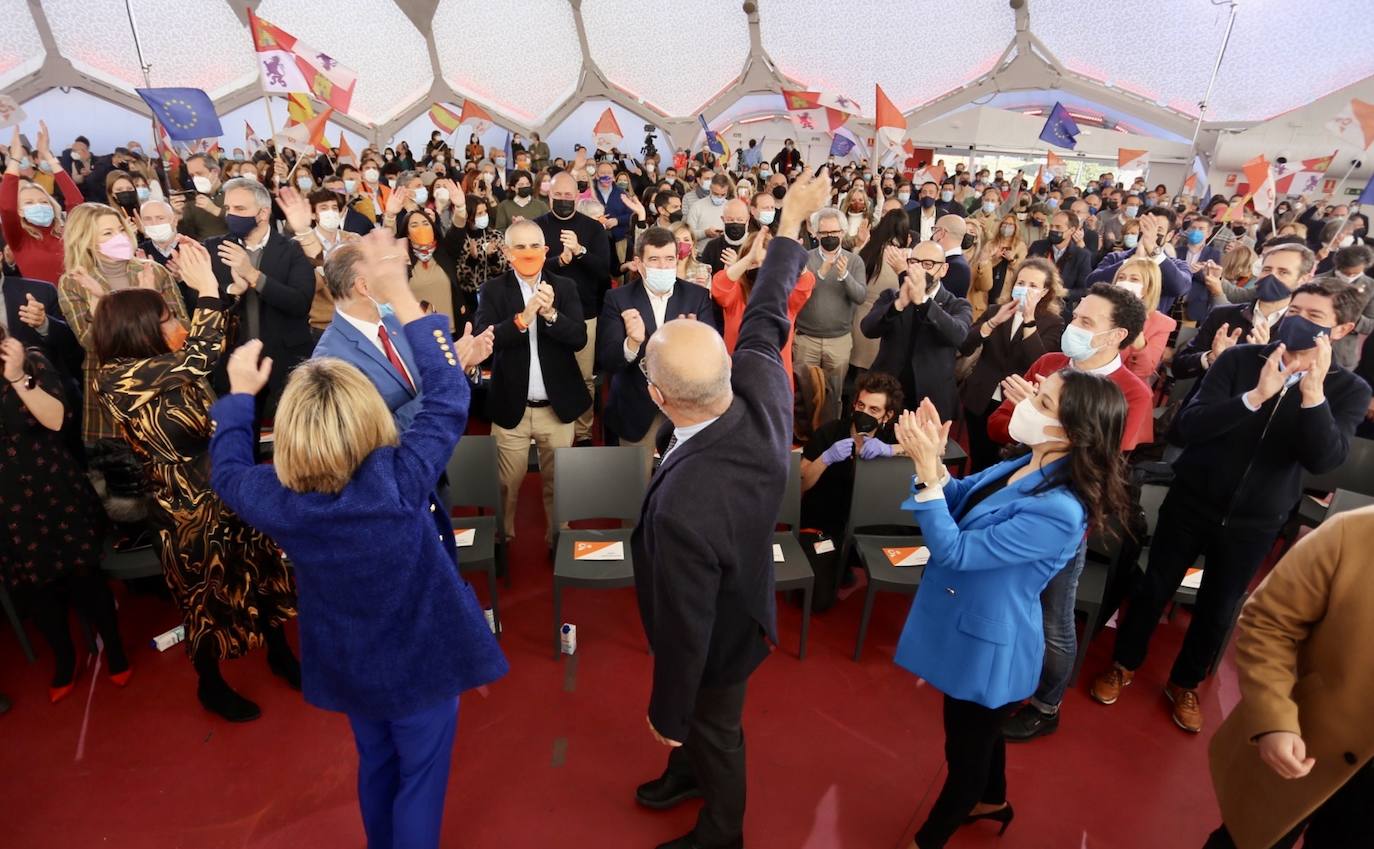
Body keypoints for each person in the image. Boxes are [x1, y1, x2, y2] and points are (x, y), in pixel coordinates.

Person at [208, 231, 506, 849]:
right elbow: (451, 396)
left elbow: (230, 473)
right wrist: (406, 295)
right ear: (371, 423)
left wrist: (239, 397)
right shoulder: (400, 479)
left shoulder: (281, 501)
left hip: (349, 663)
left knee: (377, 766)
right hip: (422, 660)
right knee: (421, 777)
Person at [632, 167, 828, 849]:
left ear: (661, 398)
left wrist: (666, 711)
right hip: (744, 589)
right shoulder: (762, 389)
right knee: (707, 728)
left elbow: (686, 627)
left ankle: (721, 831)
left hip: (720, 631)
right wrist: (793, 221)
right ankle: (686, 771)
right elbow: (769, 307)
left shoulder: (686, 505)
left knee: (716, 729)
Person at [1091, 282, 1372, 734]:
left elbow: (1324, 460)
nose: (1297, 320)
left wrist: (1312, 396)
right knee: (1153, 586)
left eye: (1314, 318)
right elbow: (1188, 426)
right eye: (1294, 309)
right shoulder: (1242, 361)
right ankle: (1123, 663)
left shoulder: (1347, 390)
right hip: (1194, 499)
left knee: (1219, 606)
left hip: (1257, 519)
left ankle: (1185, 682)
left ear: (1342, 329)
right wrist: (1255, 398)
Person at [891, 370, 1132, 849]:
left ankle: (928, 838)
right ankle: (992, 800)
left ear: (1072, 431)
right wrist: (935, 465)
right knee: (980, 729)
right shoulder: (1028, 463)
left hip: (991, 643)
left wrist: (924, 473)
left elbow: (956, 550)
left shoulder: (1061, 509)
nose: (1025, 403)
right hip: (973, 624)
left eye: (1041, 402)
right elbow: (963, 498)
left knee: (965, 747)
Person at [92, 239, 297, 722]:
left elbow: (213, 342)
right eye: (165, 317)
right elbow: (204, 354)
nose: (174, 323)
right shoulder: (117, 378)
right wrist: (205, 287)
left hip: (232, 481)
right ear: (137, 327)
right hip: (186, 508)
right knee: (206, 595)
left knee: (260, 569)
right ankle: (210, 683)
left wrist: (219, 292)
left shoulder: (167, 367)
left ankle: (280, 653)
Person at [1204, 506, 1374, 849]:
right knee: (1245, 840)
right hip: (1305, 742)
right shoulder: (1352, 534)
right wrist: (1274, 718)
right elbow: (1268, 624)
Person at [1, 327, 129, 702]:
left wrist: (17, 380)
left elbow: (57, 419)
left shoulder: (31, 359)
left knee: (83, 576)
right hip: (8, 506)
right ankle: (64, 657)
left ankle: (116, 650)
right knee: (37, 588)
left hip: (54, 489)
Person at [475, 220, 589, 545]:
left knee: (560, 483)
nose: (528, 253)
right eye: (520, 247)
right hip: (512, 407)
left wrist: (551, 314)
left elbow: (579, 338)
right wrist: (523, 320)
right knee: (507, 483)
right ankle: (502, 539)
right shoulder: (493, 290)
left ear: (546, 250)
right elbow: (487, 343)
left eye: (534, 246)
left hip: (557, 407)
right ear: (507, 253)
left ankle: (559, 542)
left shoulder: (564, 288)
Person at [57, 203, 187, 445]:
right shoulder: (74, 282)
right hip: (114, 392)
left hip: (164, 382)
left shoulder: (154, 272)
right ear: (86, 239)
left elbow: (181, 330)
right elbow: (92, 342)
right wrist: (139, 308)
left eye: (120, 229)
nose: (118, 236)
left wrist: (113, 305)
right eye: (107, 233)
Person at [596, 226, 715, 470]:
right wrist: (632, 343)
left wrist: (694, 343)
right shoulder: (618, 299)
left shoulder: (697, 296)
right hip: (636, 407)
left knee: (682, 483)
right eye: (654, 260)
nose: (663, 266)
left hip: (685, 407)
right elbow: (607, 359)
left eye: (669, 259)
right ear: (639, 264)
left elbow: (714, 354)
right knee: (634, 487)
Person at [205, 177, 315, 415]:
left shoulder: (292, 250)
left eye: (240, 209)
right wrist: (232, 291)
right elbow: (201, 299)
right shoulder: (214, 249)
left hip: (285, 361)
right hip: (235, 363)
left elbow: (299, 303)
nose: (231, 214)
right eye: (228, 208)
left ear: (263, 213)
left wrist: (253, 275)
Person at [959, 257, 1066, 471]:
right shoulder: (995, 311)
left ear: (1045, 292)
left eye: (1033, 285)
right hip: (981, 396)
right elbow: (965, 345)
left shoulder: (1053, 323)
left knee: (1004, 463)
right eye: (1021, 283)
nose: (1025, 289)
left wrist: (1029, 320)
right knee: (978, 457)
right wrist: (992, 322)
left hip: (1015, 403)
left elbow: (1040, 363)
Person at [313, 242, 433, 430]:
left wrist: (461, 364)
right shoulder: (330, 361)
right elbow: (374, 435)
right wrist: (438, 387)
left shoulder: (396, 322)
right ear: (364, 286)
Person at [860, 240, 973, 420]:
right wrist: (897, 305)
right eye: (914, 263)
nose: (919, 270)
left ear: (943, 270)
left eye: (928, 264)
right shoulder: (891, 296)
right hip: (886, 394)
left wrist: (924, 302)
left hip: (929, 399)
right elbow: (868, 329)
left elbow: (958, 335)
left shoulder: (957, 305)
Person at [536, 172, 609, 446]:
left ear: (578, 197)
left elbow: (604, 271)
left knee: (585, 377)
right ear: (548, 195)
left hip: (586, 312)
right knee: (547, 371)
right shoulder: (537, 227)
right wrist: (560, 262)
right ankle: (550, 428)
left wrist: (580, 252)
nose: (564, 200)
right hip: (544, 310)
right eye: (558, 196)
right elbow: (531, 268)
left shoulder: (593, 228)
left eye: (569, 196)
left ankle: (583, 432)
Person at [711, 227, 815, 390]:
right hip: (737, 378)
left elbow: (805, 284)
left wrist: (795, 258)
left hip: (775, 381)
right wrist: (748, 258)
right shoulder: (736, 292)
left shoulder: (785, 294)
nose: (759, 267)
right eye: (753, 263)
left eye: (765, 263)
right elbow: (719, 286)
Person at [794, 207, 866, 423]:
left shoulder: (854, 262)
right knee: (804, 394)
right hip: (807, 339)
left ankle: (831, 435)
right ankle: (804, 437)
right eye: (824, 233)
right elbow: (797, 297)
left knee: (834, 394)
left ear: (843, 233)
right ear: (815, 234)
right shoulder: (804, 259)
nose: (830, 237)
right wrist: (820, 275)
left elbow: (860, 296)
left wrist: (844, 275)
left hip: (839, 341)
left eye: (834, 232)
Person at [2, 124, 82, 284]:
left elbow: (76, 201)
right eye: (29, 202)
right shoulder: (19, 239)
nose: (38, 205)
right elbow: (7, 208)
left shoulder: (66, 232)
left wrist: (47, 155)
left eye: (43, 201)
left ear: (52, 207)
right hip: (41, 304)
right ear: (21, 211)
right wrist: (15, 159)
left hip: (76, 302)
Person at [1088, 206, 1190, 313]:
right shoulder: (1116, 258)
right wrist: (1134, 260)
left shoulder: (1178, 266)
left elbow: (1179, 288)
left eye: (1158, 230)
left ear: (1169, 235)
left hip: (1149, 325)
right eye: (1146, 227)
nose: (1150, 234)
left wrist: (1154, 252)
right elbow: (1092, 283)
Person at [1114, 257, 1177, 383]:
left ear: (1148, 288)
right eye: (1121, 278)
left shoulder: (1161, 324)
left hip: (1122, 389)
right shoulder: (1098, 309)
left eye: (1134, 279)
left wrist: (1136, 324)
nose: (1125, 283)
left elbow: (1143, 371)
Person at [1312, 243, 1374, 369]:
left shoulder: (1371, 287)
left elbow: (1370, 326)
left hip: (1343, 355)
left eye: (1355, 274)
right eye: (1346, 273)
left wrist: (1349, 316)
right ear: (1338, 266)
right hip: (1311, 345)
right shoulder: (1318, 281)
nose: (1350, 277)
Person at [968, 214, 1028, 318]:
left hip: (1007, 289)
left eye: (1010, 225)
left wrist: (1012, 260)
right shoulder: (991, 244)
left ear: (1015, 228)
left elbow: (1022, 270)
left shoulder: (1020, 246)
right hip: (989, 285)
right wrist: (995, 257)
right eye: (1004, 224)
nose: (1006, 227)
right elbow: (981, 264)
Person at [1027, 211, 1093, 301]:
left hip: (1061, 307)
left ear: (1072, 230)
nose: (1053, 230)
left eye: (1058, 227)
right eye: (1052, 226)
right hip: (1033, 300)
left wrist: (1064, 292)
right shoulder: (1037, 247)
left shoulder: (1082, 255)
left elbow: (1084, 290)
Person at [177, 153, 228, 241]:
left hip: (233, 247)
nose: (196, 179)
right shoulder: (192, 199)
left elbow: (244, 223)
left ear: (215, 172)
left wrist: (216, 210)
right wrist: (179, 217)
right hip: (204, 248)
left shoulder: (233, 192)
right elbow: (187, 235)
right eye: (192, 175)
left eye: (199, 173)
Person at [697, 198, 749, 275]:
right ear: (723, 219)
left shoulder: (754, 246)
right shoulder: (712, 246)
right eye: (730, 220)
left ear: (748, 219)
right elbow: (705, 278)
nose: (735, 223)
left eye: (740, 220)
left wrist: (737, 267)